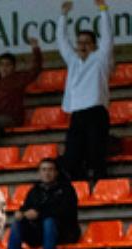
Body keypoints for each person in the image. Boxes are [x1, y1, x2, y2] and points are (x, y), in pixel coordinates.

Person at [58, 1, 114, 182]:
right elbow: (62, 41)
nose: (82, 46)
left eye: (87, 43)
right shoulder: (73, 60)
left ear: (94, 45)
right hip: (78, 114)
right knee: (72, 154)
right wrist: (63, 16)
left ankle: (99, 184)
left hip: (96, 112)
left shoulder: (100, 59)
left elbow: (107, 37)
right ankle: (79, 186)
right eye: (80, 42)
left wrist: (103, 11)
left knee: (96, 152)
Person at [7, 158, 80, 249]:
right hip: (39, 233)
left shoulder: (66, 189)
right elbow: (26, 207)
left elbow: (66, 212)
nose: (47, 173)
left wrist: (39, 214)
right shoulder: (34, 190)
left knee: (49, 220)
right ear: (39, 173)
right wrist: (21, 213)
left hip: (64, 232)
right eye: (44, 170)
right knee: (17, 223)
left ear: (56, 172)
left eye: (50, 170)